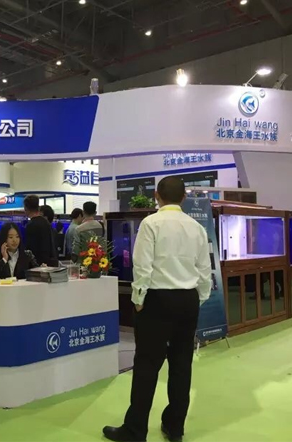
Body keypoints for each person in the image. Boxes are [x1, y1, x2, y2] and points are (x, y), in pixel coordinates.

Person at [102, 177, 211, 442]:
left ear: (156, 196)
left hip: (156, 300)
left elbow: (142, 265)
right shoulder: (197, 227)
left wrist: (139, 298)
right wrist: (199, 297)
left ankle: (136, 429)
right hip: (187, 300)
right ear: (184, 197)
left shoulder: (151, 224)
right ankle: (175, 427)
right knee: (182, 365)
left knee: (147, 365)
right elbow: (204, 269)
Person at [23, 195, 57, 267]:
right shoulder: (46, 223)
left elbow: (29, 249)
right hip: (48, 264)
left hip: (37, 265)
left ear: (26, 209)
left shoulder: (30, 225)